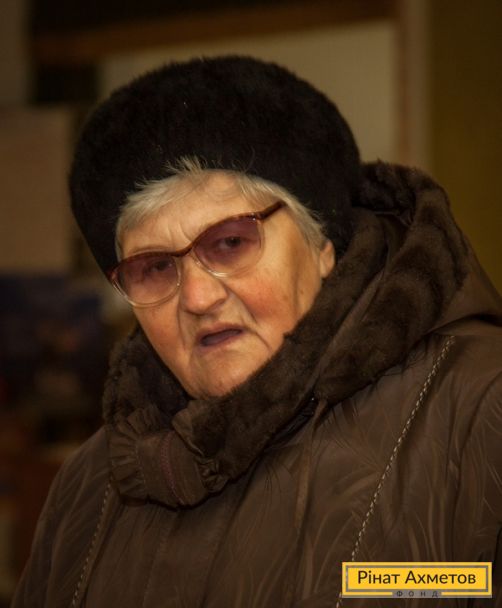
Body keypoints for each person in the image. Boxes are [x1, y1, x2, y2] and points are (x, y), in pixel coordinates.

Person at [12, 56, 502, 607]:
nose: (198, 298)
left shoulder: (479, 413)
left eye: (230, 243)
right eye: (156, 267)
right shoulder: (89, 484)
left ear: (322, 245)